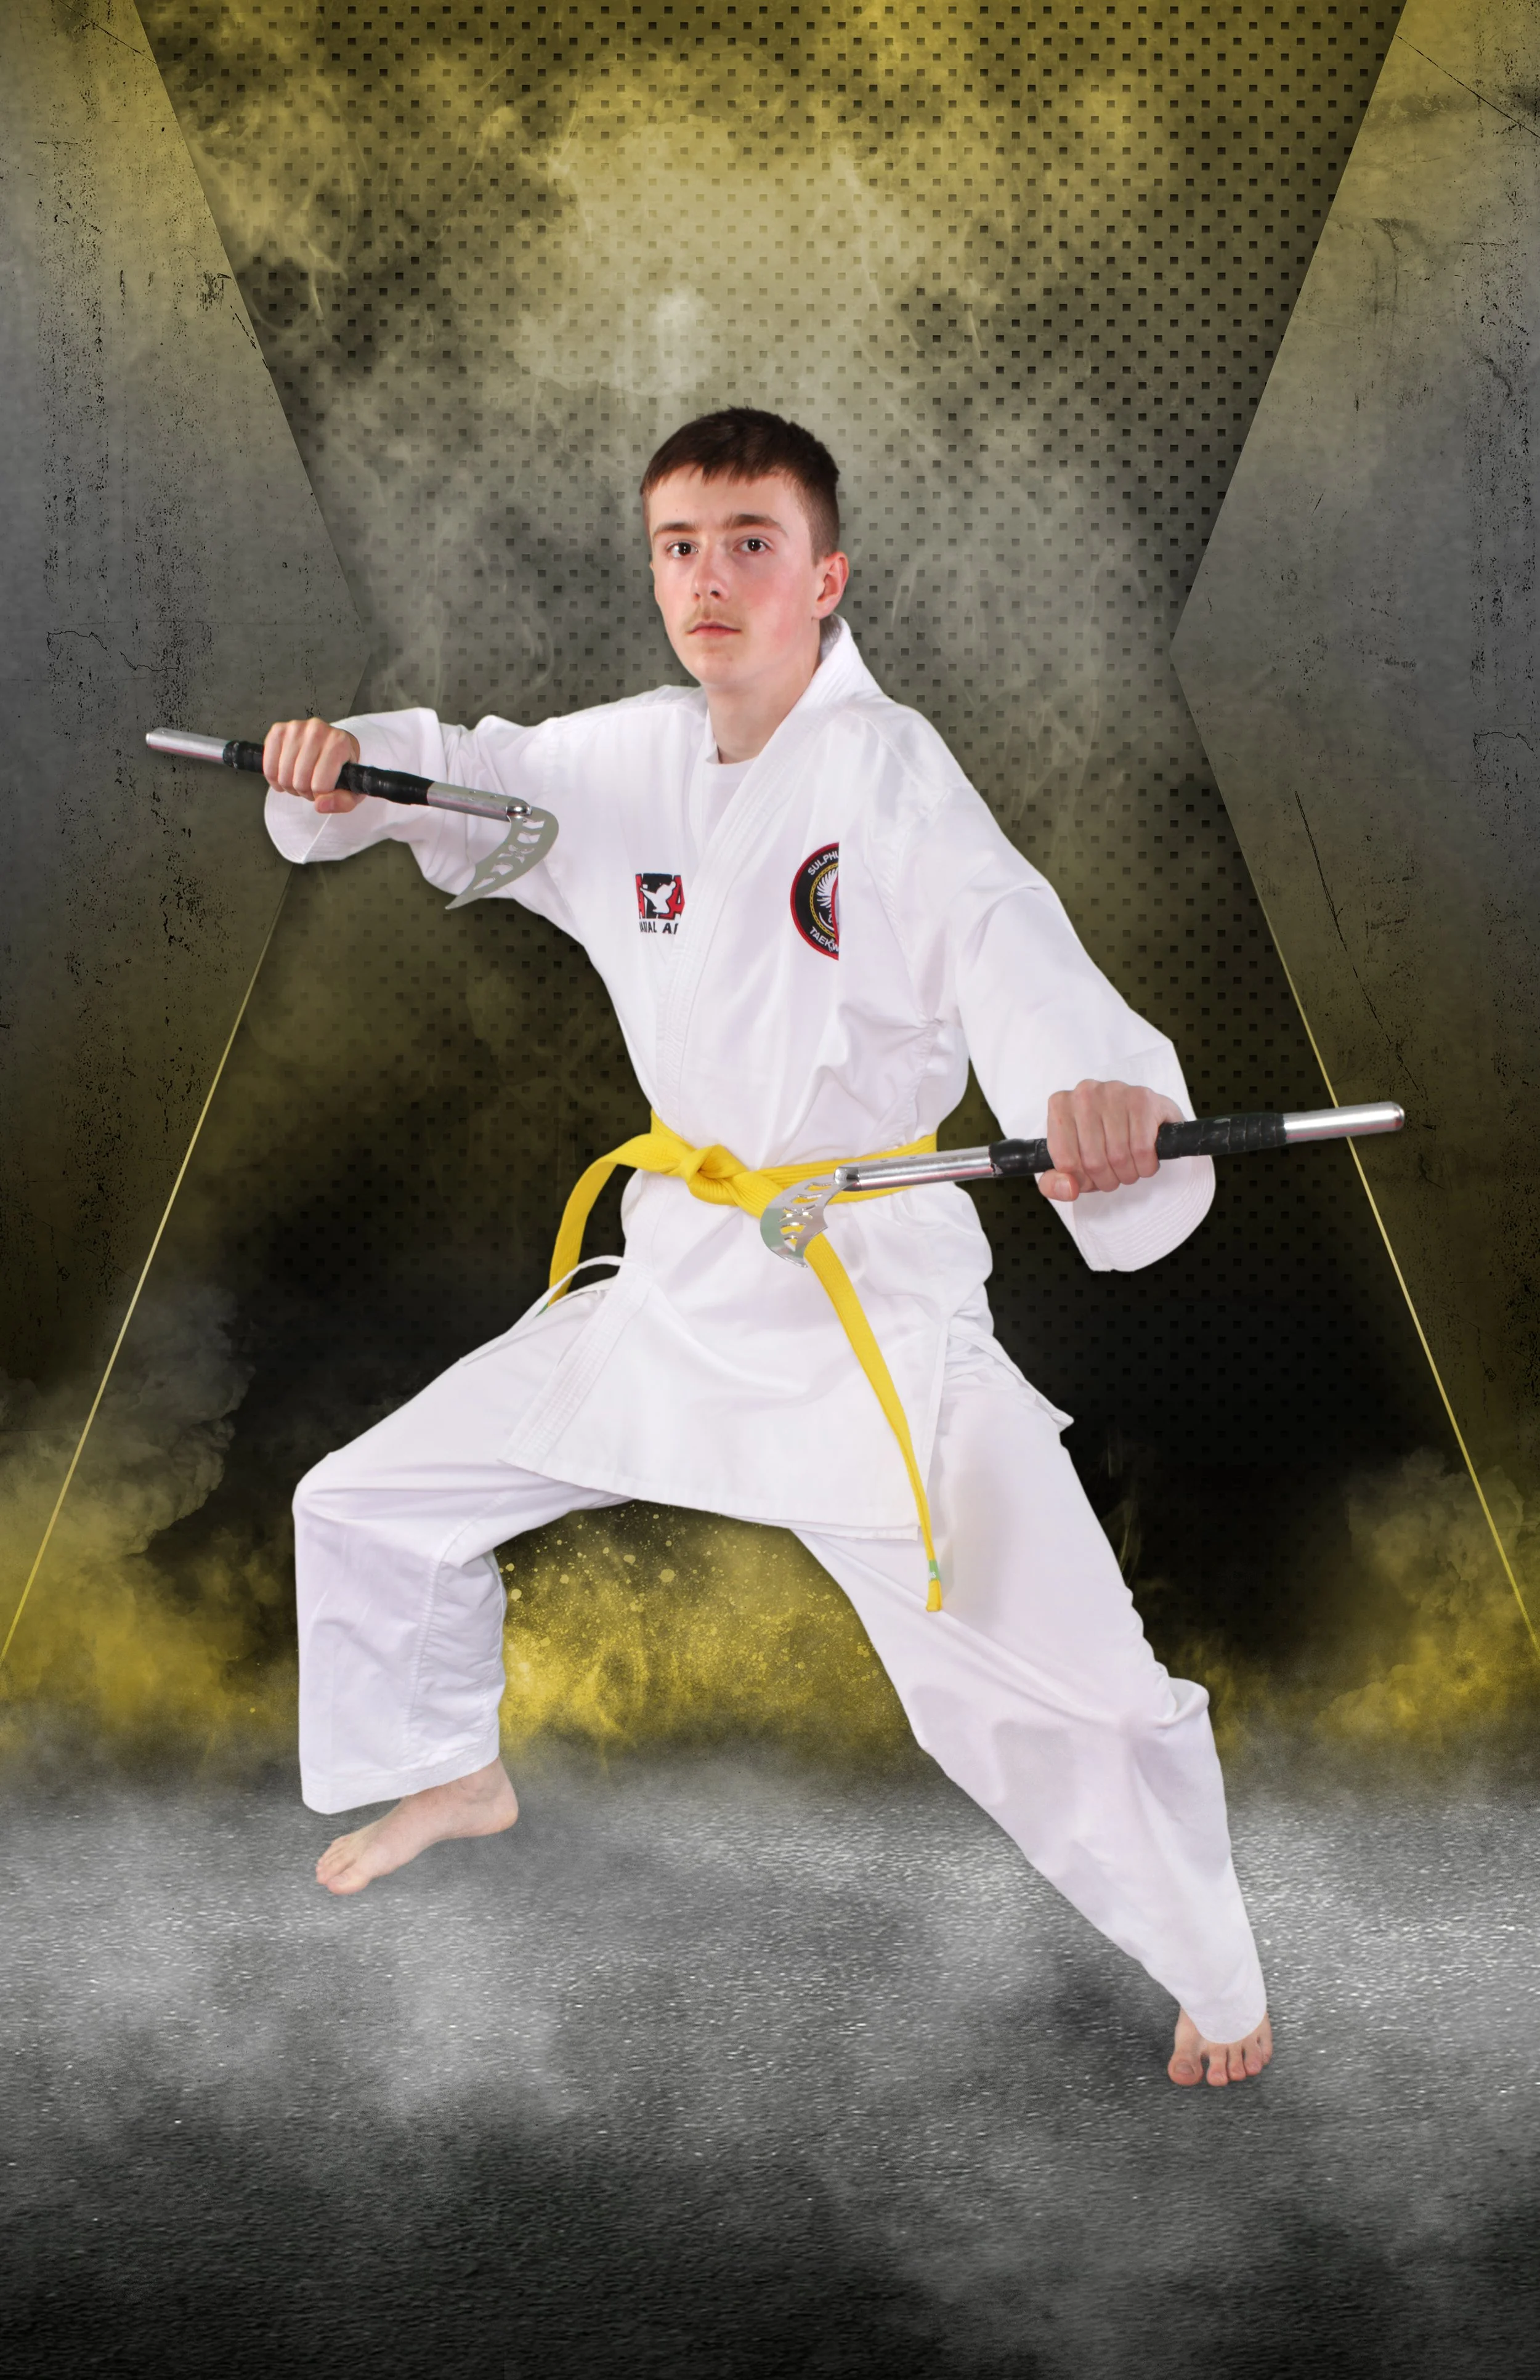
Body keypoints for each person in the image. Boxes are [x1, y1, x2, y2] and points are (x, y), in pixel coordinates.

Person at [262, 408, 1271, 2089]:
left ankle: (1220, 1976)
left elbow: (1003, 937)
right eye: (679, 546)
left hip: (854, 1303)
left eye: (747, 543)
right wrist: (337, 769)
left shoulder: (885, 773)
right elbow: (465, 778)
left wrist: (1090, 1098)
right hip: (678, 1284)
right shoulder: (637, 758)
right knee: (360, 1501)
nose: (708, 580)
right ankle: (446, 1760)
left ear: (825, 575)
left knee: (1069, 1704)